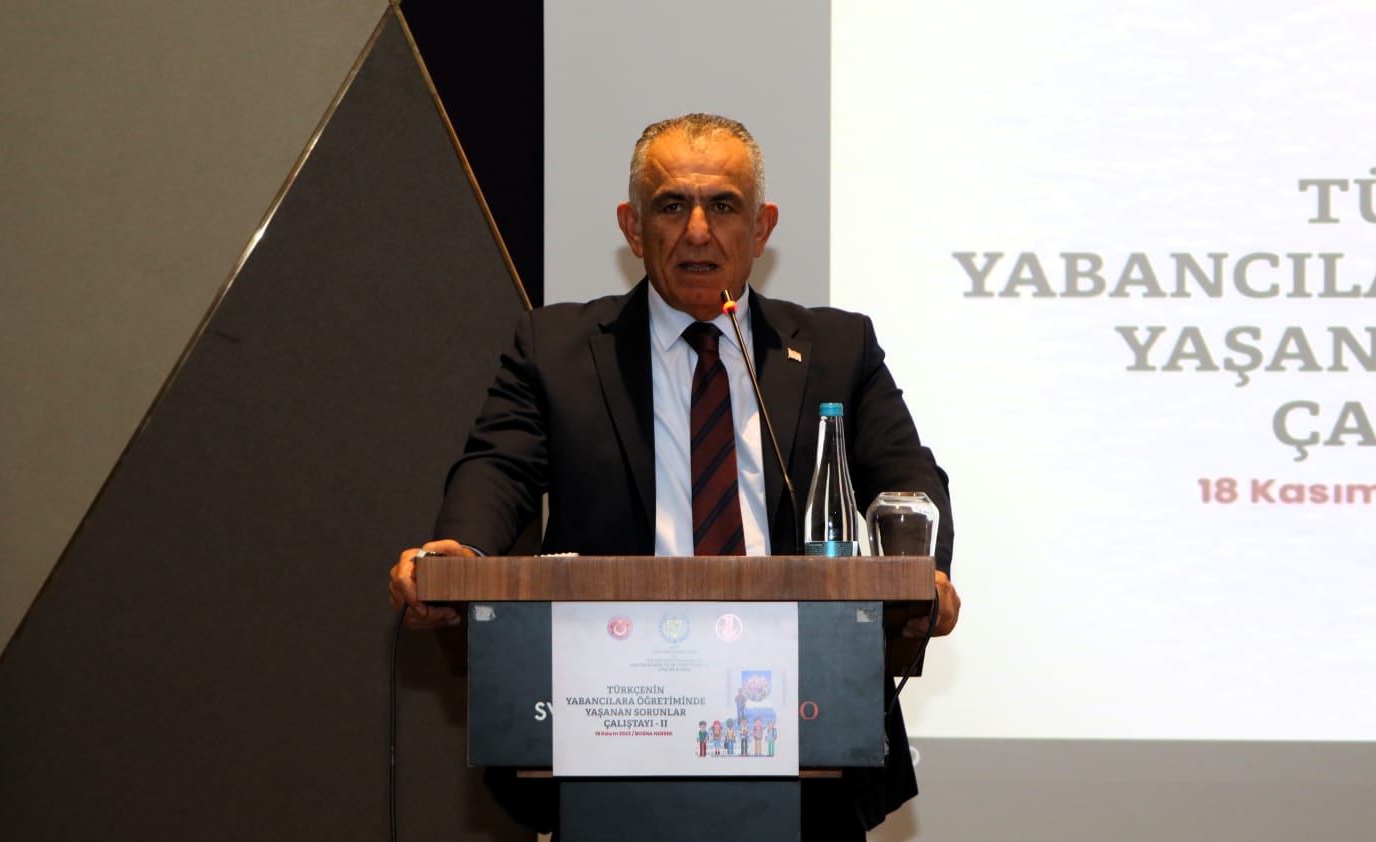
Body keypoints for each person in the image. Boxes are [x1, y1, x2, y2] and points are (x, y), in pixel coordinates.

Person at [389, 113, 960, 839]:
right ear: (633, 227)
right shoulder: (556, 348)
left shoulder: (837, 347)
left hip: (802, 718)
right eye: (670, 206)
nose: (697, 231)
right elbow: (498, 466)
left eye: (722, 206)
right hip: (615, 720)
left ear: (761, 227)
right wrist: (459, 551)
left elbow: (907, 477)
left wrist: (919, 572)